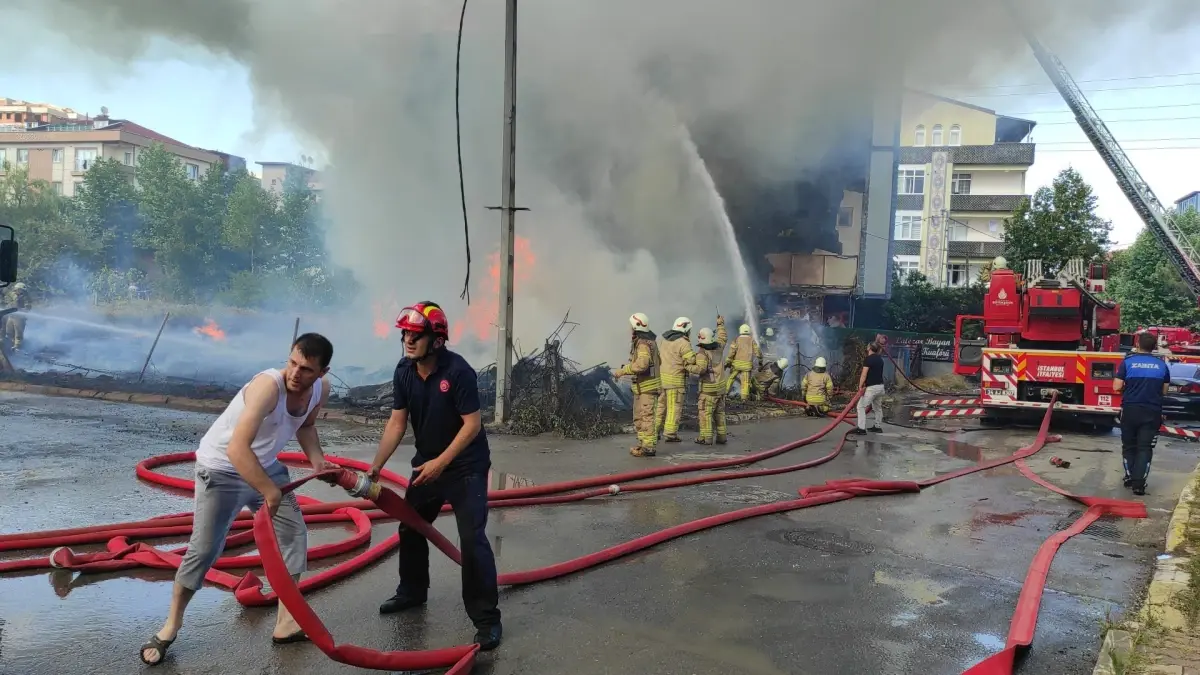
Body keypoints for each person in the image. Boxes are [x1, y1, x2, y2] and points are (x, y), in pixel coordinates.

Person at [139, 333, 336, 666]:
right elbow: (236, 449)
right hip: (221, 469)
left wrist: (317, 460)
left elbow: (306, 426)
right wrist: (269, 491)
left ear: (321, 372)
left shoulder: (320, 389)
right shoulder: (267, 386)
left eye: (305, 369)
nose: (295, 374)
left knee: (293, 535)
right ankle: (170, 626)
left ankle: (286, 624)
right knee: (205, 550)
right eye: (292, 363)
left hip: (265, 465)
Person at [368, 301, 503, 651]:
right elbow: (398, 421)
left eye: (416, 335)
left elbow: (472, 425)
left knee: (473, 541)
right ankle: (412, 592)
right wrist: (376, 466)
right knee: (410, 525)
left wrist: (441, 463)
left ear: (437, 340)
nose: (408, 341)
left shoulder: (459, 373)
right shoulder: (404, 371)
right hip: (427, 463)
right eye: (405, 334)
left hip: (464, 467)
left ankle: (487, 620)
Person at [1114, 331, 1171, 496]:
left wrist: (1130, 388)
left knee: (1129, 446)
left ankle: (1130, 477)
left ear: (1137, 345)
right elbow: (1164, 391)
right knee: (1145, 447)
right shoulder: (1161, 365)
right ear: (1154, 347)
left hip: (1131, 410)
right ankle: (1139, 485)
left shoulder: (1128, 363)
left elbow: (1116, 387)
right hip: (1152, 411)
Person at [612, 312, 662, 457]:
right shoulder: (648, 342)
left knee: (646, 418)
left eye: (631, 327)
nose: (629, 329)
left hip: (647, 388)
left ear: (636, 327)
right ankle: (643, 444)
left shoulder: (643, 344)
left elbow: (642, 365)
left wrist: (624, 370)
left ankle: (648, 448)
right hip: (643, 388)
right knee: (640, 417)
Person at [655, 316, 697, 443]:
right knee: (674, 408)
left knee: (660, 407)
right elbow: (691, 360)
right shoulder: (683, 343)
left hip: (661, 380)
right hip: (675, 382)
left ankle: (654, 431)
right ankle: (670, 433)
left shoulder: (663, 339)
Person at [690, 317, 728, 445]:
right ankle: (722, 437)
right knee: (720, 414)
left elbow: (701, 370)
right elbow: (723, 337)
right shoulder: (719, 347)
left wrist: (688, 367)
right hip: (721, 388)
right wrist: (720, 324)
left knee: (705, 414)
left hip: (708, 390)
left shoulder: (702, 353)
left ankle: (706, 438)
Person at [853, 342, 885, 435]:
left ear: (870, 348)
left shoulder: (868, 359)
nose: (866, 347)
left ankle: (861, 429)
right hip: (880, 387)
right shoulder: (880, 359)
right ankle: (877, 426)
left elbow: (864, 374)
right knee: (877, 407)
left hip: (872, 388)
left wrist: (860, 386)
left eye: (867, 346)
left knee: (860, 406)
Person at [724, 323, 761, 400]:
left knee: (731, 378)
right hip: (747, 366)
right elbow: (757, 352)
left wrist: (728, 362)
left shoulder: (736, 340)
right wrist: (760, 360)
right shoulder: (752, 340)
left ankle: (725, 393)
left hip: (736, 365)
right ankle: (744, 398)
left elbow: (731, 352)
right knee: (746, 382)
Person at [3, 281, 30, 351]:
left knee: (18, 334)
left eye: (17, 289)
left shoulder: (26, 297)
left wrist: (21, 310)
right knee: (9, 332)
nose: (15, 290)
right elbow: (8, 302)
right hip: (11, 316)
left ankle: (17, 347)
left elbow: (28, 307)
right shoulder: (13, 295)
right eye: (16, 289)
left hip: (20, 318)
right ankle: (10, 345)